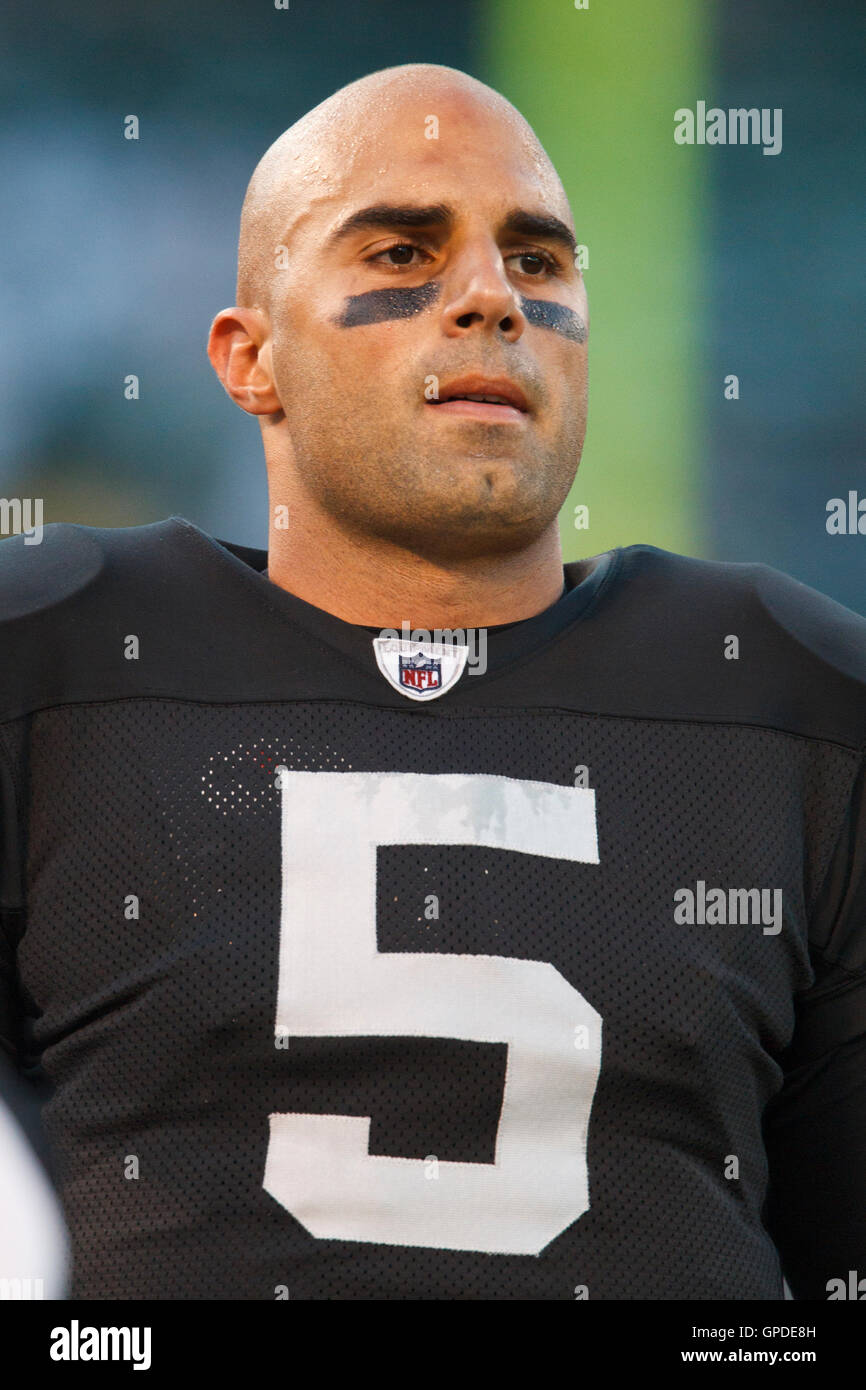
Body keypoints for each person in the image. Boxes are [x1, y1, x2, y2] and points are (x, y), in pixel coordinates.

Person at [1, 62, 864, 1301]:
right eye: (403, 253)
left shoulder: (795, 698)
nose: (490, 298)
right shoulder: (53, 660)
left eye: (537, 261)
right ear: (250, 358)